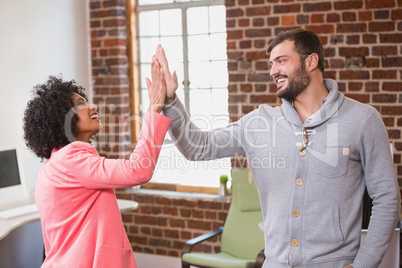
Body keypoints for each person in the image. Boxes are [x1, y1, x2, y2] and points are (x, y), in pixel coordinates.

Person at [155, 28, 400, 268]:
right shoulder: (258, 123)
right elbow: (198, 147)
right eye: (271, 63)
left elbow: (387, 197)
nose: (273, 71)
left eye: (281, 61)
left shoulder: (363, 120)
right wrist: (170, 101)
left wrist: (363, 265)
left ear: (311, 61)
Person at [23, 56, 169, 268]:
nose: (93, 107)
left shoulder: (55, 164)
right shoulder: (70, 158)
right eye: (81, 104)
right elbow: (138, 170)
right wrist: (154, 108)